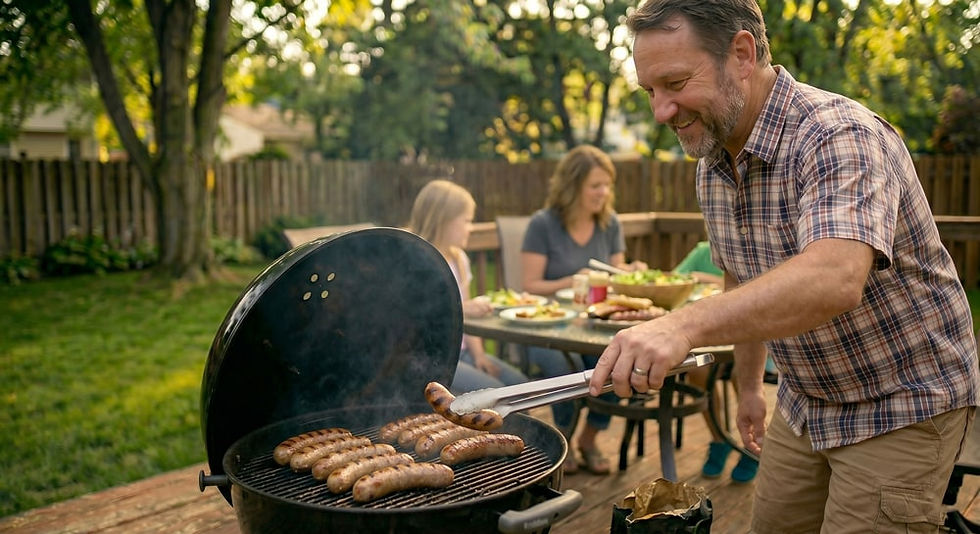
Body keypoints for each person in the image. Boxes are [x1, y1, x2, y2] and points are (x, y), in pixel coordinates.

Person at [590, 2, 979, 532]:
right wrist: (750, 387)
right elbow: (740, 277)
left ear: (743, 54)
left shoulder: (838, 134)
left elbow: (834, 277)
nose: (661, 111)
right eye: (649, 91)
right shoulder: (712, 167)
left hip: (903, 398)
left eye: (676, 82)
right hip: (806, 398)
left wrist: (680, 324)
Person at [521, 144, 647, 475]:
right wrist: (571, 280)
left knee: (620, 360)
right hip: (548, 329)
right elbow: (530, 285)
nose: (603, 193)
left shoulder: (610, 224)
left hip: (593, 325)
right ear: (573, 185)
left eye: (607, 185)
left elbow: (617, 279)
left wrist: (630, 273)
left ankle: (589, 438)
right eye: (595, 185)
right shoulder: (543, 224)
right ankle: (562, 440)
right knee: (569, 366)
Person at [408, 179, 528, 393]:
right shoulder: (416, 263)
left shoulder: (459, 260)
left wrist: (479, 355)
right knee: (499, 395)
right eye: (466, 221)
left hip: (463, 352)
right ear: (442, 220)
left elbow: (467, 318)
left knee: (521, 386)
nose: (470, 228)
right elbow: (413, 321)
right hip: (431, 362)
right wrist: (463, 308)